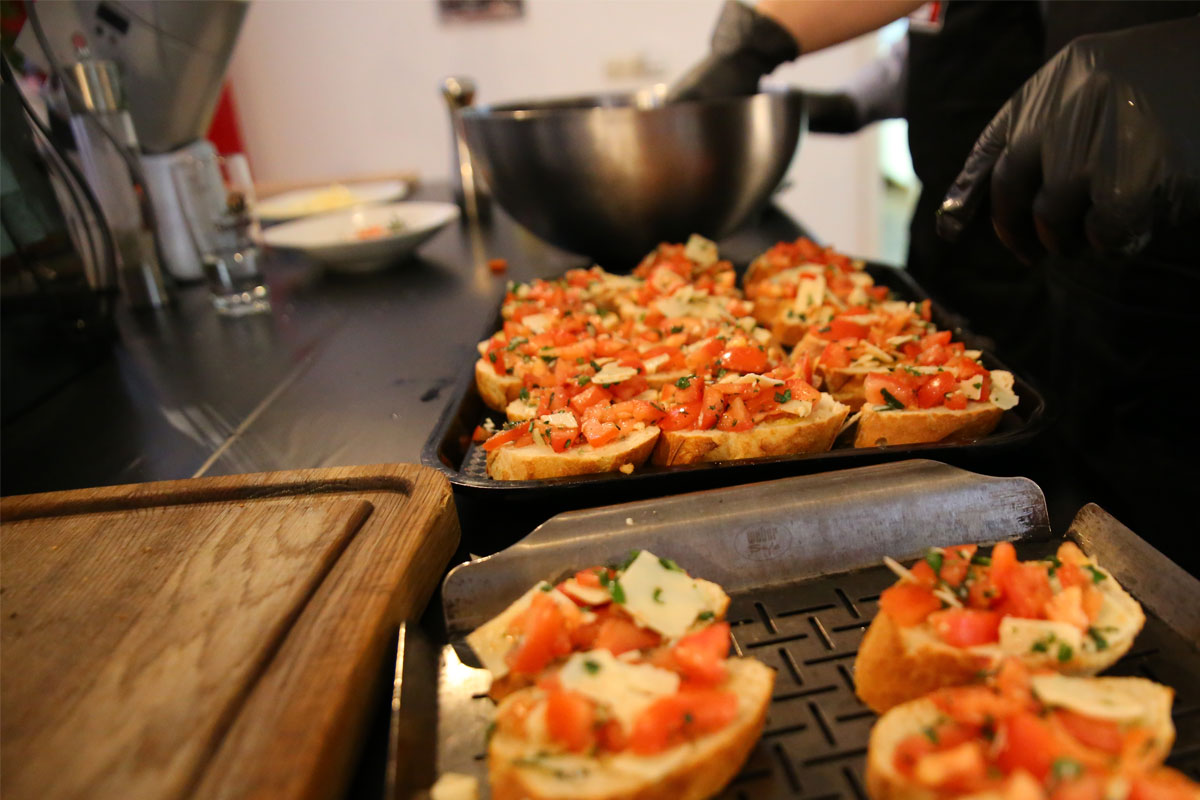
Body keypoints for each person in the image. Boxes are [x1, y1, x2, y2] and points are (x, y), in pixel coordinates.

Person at [670, 1, 1200, 571]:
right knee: (1082, 492)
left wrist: (1183, 61)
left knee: (1160, 513)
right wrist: (787, 54)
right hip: (1063, 245)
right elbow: (943, 34)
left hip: (1157, 274)